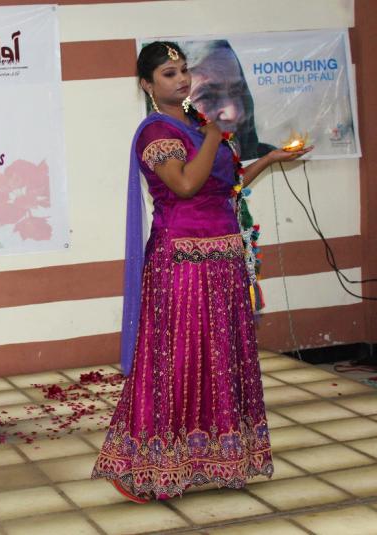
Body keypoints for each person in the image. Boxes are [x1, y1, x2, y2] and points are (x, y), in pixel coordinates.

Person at [92, 42, 311, 501]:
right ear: (147, 85)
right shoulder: (157, 133)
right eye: (169, 74)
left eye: (183, 71)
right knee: (178, 362)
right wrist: (215, 134)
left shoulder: (195, 125)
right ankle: (145, 464)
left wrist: (269, 159)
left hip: (224, 262)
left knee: (219, 361)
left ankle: (207, 458)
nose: (182, 80)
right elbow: (187, 186)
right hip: (183, 265)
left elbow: (225, 189)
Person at [183, 39, 276, 160]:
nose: (234, 114)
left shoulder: (266, 157)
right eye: (207, 97)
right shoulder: (163, 165)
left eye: (236, 91)